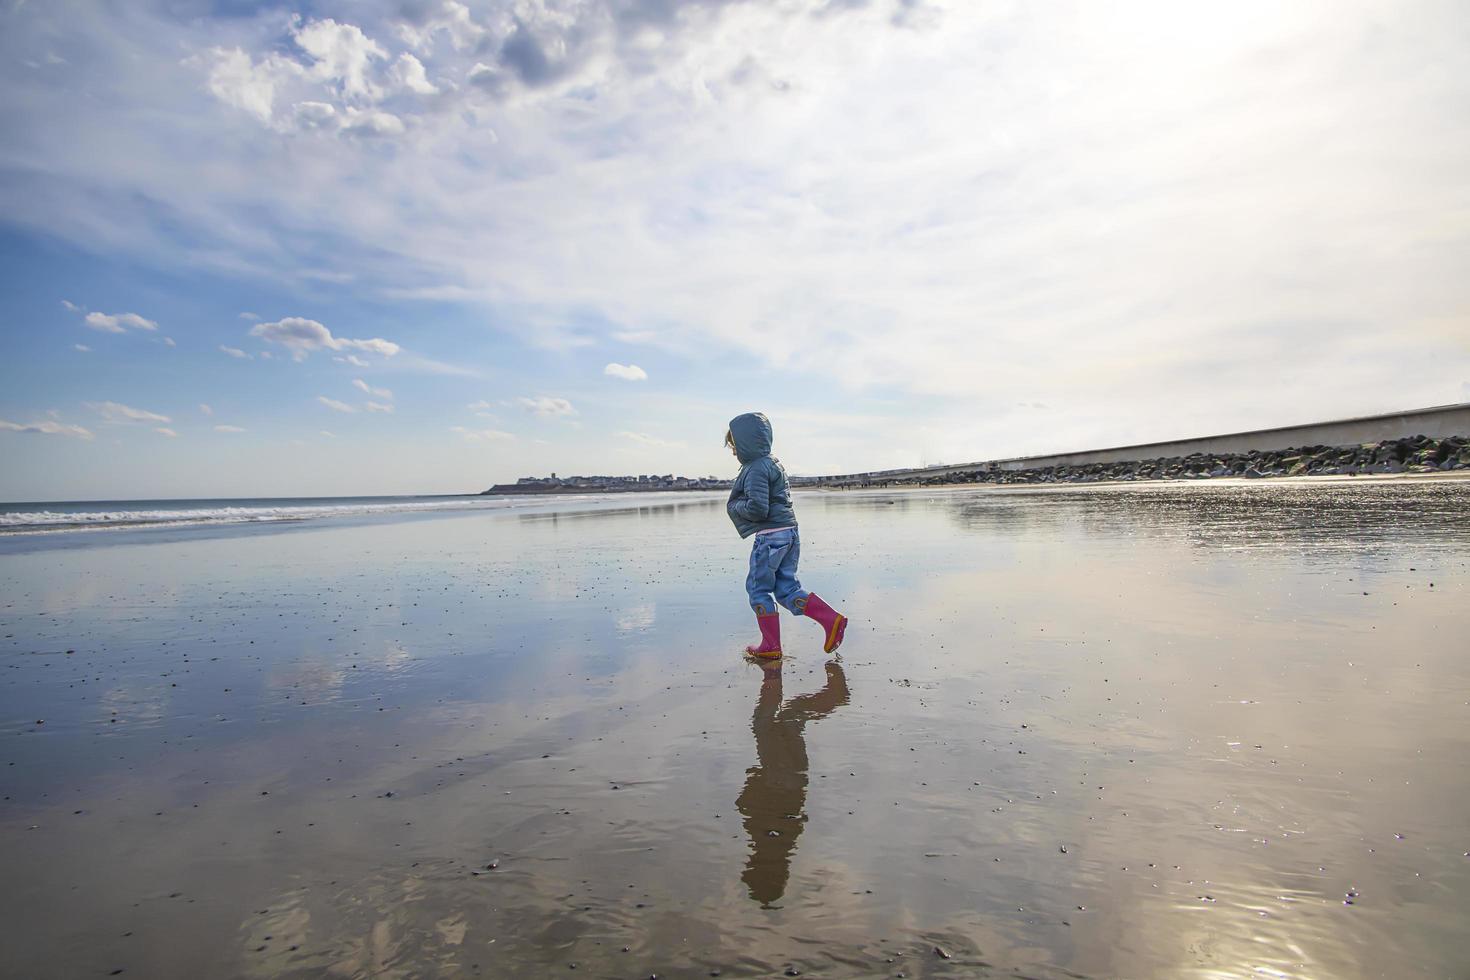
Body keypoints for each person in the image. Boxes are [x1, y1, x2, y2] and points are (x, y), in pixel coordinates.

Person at [725, 412, 848, 658]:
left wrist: (734, 506)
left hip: (770, 537)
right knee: (786, 589)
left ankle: (771, 646)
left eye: (735, 446)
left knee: (758, 589)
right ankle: (831, 619)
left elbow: (758, 508)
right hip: (789, 533)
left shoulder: (756, 468)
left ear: (746, 443)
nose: (734, 452)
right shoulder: (773, 462)